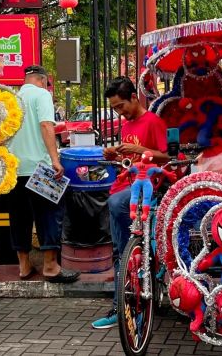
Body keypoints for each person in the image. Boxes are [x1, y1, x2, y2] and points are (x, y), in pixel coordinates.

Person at [92, 76, 168, 329]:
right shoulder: (126, 125)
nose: (119, 112)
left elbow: (165, 155)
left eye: (120, 106)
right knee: (118, 249)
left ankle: (130, 278)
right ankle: (121, 302)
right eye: (114, 108)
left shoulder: (153, 121)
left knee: (116, 208)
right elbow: (127, 158)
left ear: (134, 97)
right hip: (125, 184)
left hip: (146, 187)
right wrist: (114, 152)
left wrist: (137, 151)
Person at [2, 65, 79, 283]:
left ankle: (24, 267)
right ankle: (50, 267)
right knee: (49, 215)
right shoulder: (42, 95)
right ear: (43, 80)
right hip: (39, 168)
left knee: (19, 218)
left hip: (13, 169)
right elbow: (46, 125)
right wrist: (55, 160)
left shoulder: (12, 99)